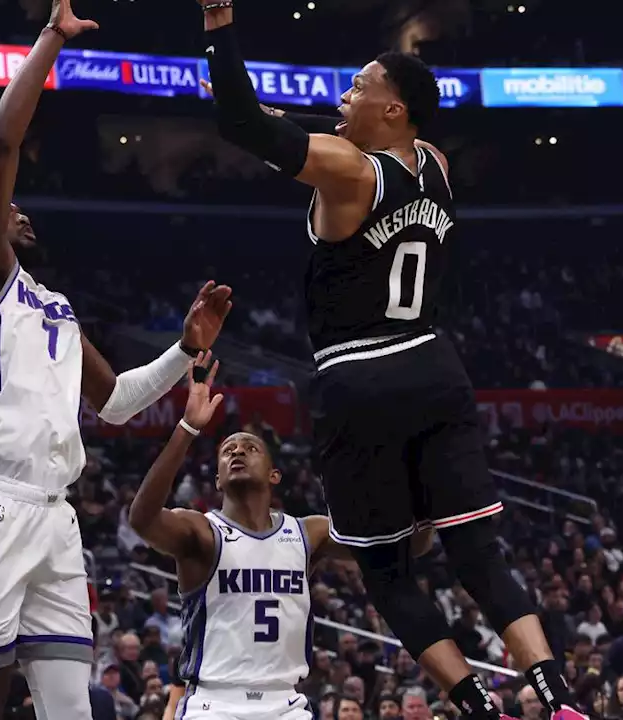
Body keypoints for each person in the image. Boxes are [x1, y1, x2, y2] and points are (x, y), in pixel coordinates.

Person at [191, 2, 581, 719]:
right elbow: (320, 138)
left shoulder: (346, 168)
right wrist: (307, 125)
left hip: (359, 373)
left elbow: (242, 126)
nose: (345, 95)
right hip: (435, 365)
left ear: (394, 108)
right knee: (478, 554)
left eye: (360, 85)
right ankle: (557, 697)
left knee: (386, 567)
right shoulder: (432, 162)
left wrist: (221, 29)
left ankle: (476, 705)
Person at [0, 2, 232, 720]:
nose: (22, 212)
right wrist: (50, 42)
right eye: (10, 210)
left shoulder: (55, 306)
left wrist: (185, 349)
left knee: (71, 704)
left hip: (55, 517)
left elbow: (118, 401)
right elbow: (1, 147)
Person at [129, 352, 400, 719]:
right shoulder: (202, 532)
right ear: (218, 480)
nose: (238, 451)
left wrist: (414, 470)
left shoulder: (308, 533)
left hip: (285, 703)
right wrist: (188, 428)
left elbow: (398, 545)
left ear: (275, 475)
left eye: (250, 447)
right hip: (214, 703)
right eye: (227, 451)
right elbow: (143, 519)